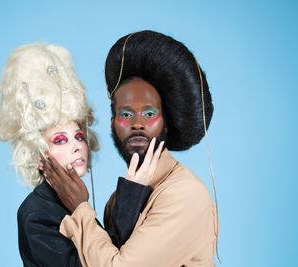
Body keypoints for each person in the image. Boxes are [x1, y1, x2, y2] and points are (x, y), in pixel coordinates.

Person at [44, 30, 220, 267]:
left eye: (149, 113)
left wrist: (79, 207)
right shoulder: (118, 200)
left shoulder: (185, 194)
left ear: (165, 123)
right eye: (126, 114)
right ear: (112, 124)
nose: (137, 123)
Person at [0, 42, 154, 266]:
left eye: (79, 136)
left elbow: (108, 254)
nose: (77, 146)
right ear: (38, 154)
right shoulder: (35, 215)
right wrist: (128, 195)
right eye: (60, 140)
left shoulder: (71, 199)